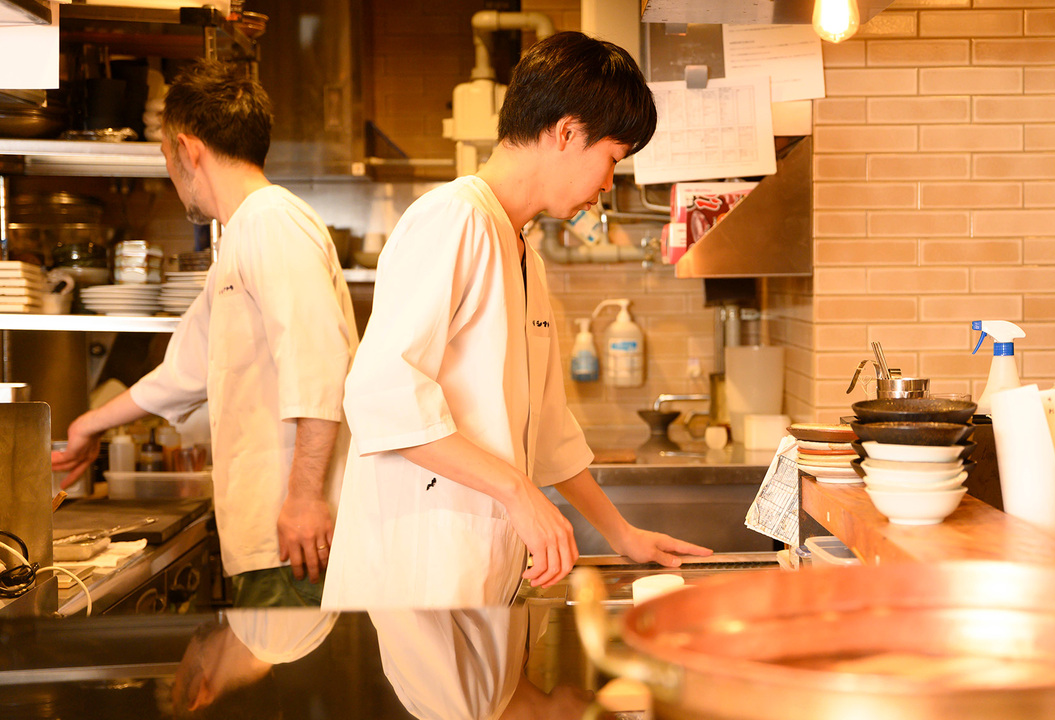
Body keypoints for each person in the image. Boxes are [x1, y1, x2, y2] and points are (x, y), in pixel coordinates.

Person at [322, 31, 711, 610]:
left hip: (481, 572)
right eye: (611, 159)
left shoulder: (524, 250)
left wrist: (621, 533)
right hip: (417, 577)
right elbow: (383, 396)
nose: (607, 185)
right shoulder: (453, 220)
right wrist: (519, 493)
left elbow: (548, 431)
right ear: (566, 131)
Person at [51, 60, 358, 606]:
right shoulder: (241, 239)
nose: (171, 178)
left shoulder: (272, 222)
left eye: (166, 158)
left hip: (299, 538)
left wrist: (306, 497)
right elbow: (185, 371)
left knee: (293, 682)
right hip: (271, 537)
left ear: (189, 150)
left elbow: (321, 366)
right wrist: (89, 426)